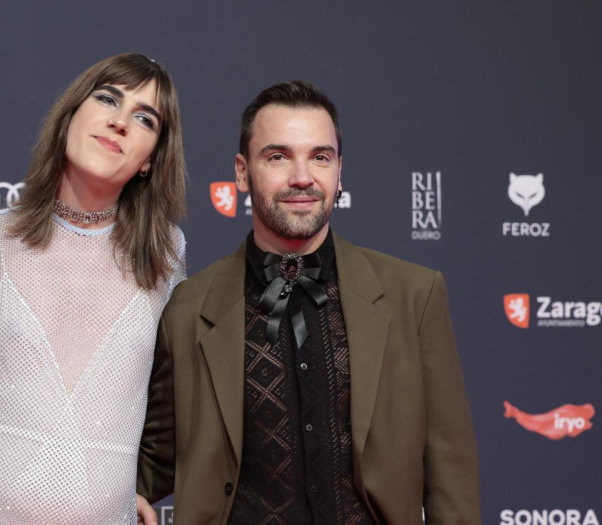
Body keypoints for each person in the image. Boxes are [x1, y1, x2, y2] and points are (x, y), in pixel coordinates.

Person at [137, 81, 480, 524]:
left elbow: (450, 468)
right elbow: (155, 458)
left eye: (320, 156)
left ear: (340, 170)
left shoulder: (414, 295)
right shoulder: (189, 309)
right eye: (277, 156)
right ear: (241, 172)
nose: (302, 177)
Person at [0, 53, 187, 524]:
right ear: (70, 114)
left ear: (151, 159)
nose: (118, 122)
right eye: (107, 99)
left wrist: (137, 485)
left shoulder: (165, 257)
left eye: (144, 118)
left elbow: (167, 396)